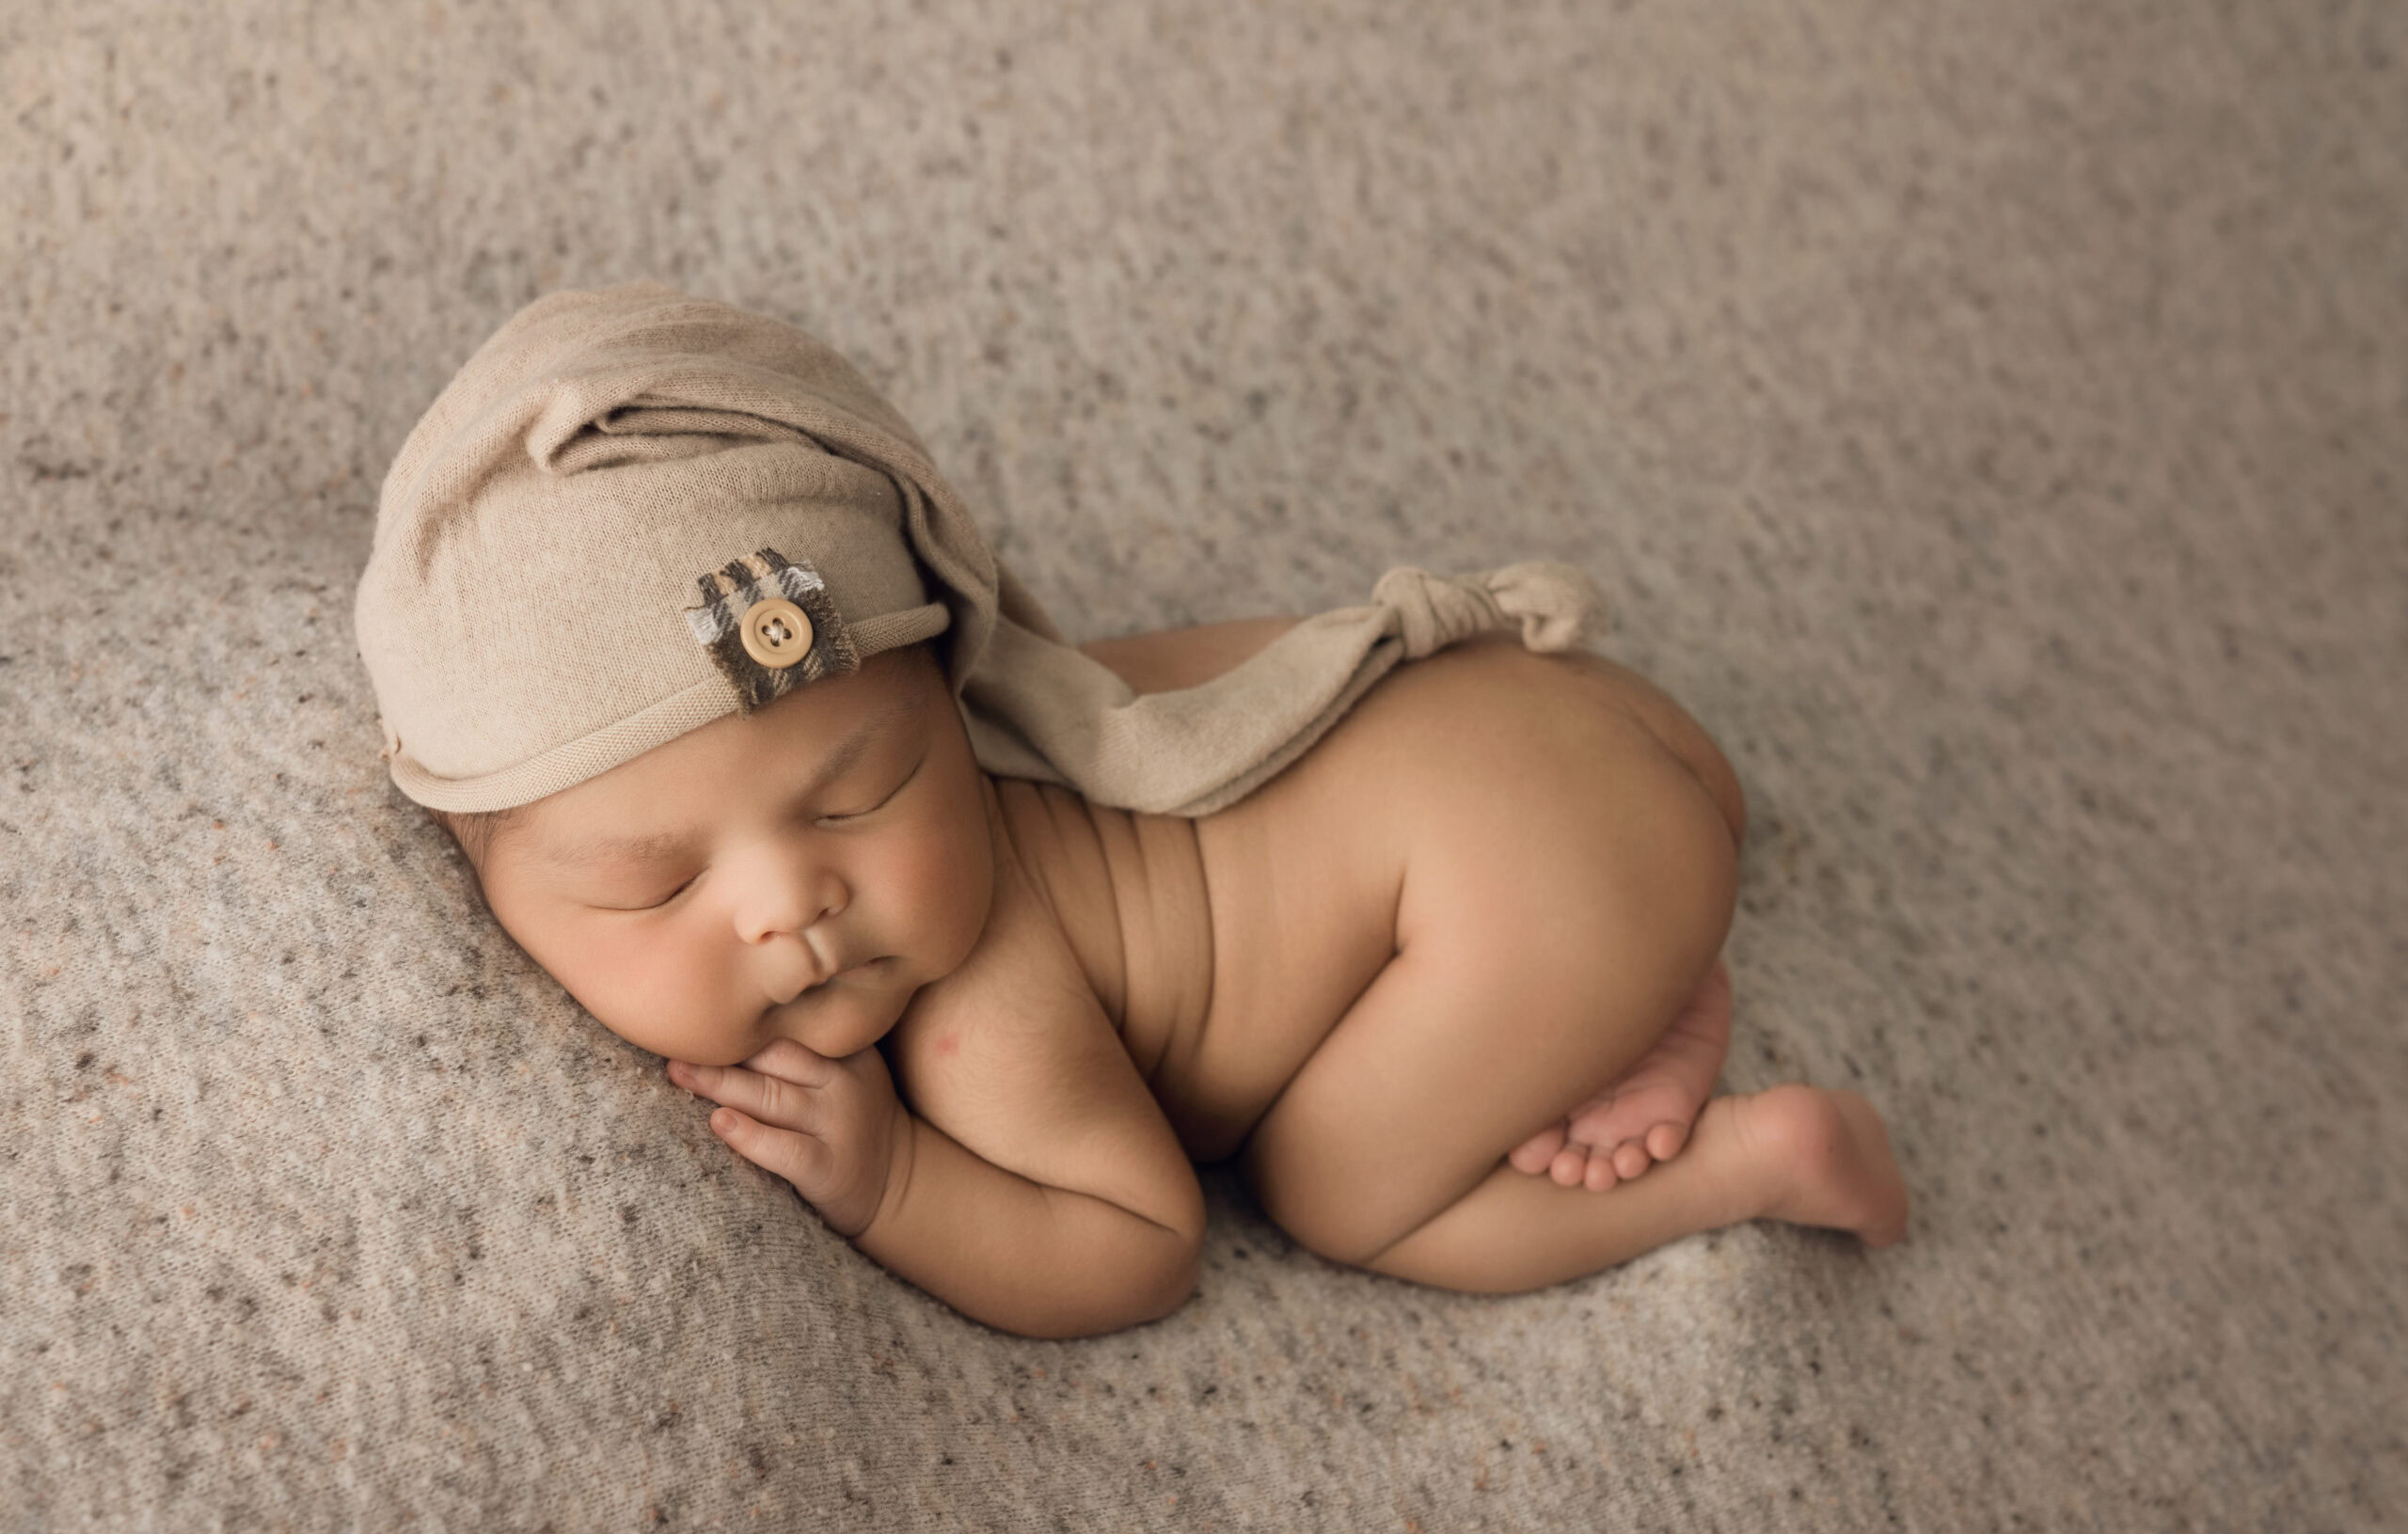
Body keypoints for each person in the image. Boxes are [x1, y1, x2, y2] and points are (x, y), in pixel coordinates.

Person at [356, 282, 1908, 1340]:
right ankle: (1636, 983)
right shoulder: (994, 695)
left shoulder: (981, 1011)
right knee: (1493, 888)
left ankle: (1758, 1156)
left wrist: (896, 1178)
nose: (788, 905)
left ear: (950, 691)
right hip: (1586, 734)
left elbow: (1142, 1242)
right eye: (652, 882)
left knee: (1340, 1188)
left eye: (868, 787)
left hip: (1558, 867)